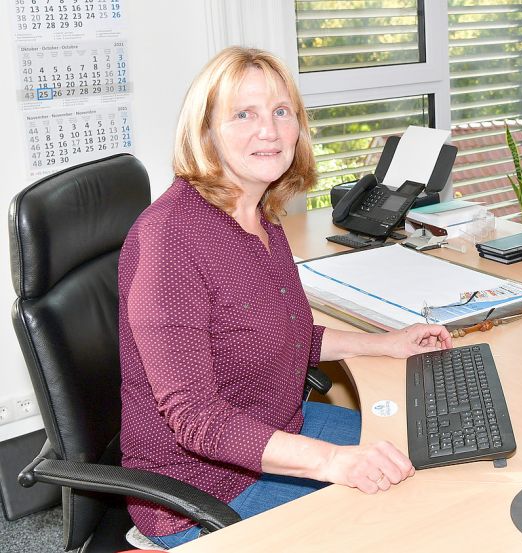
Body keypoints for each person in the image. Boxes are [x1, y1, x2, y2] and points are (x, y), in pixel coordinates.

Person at [118, 46, 452, 548]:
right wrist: (334, 462)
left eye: (281, 111)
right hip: (202, 491)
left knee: (426, 449)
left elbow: (284, 334)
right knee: (402, 523)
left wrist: (384, 342)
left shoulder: (260, 215)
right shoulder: (169, 239)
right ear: (205, 131)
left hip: (278, 426)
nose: (269, 131)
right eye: (243, 114)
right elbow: (198, 421)